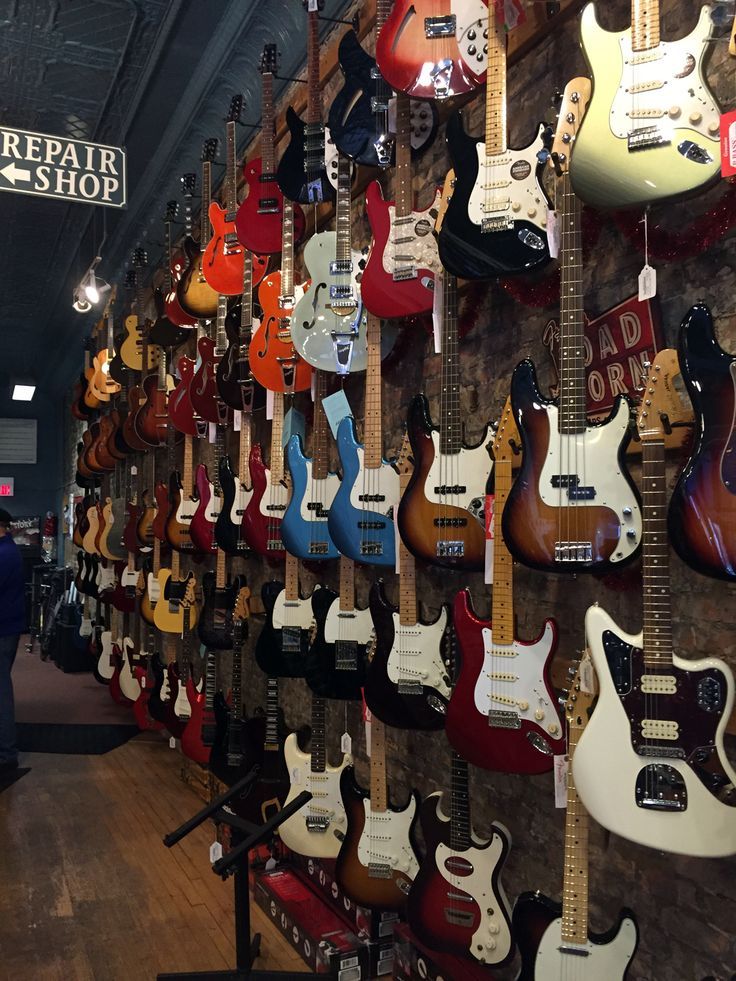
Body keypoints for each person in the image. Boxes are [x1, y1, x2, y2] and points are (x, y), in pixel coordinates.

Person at [0, 509, 26, 773]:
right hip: (7, 628)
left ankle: (6, 753)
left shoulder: (5, 554)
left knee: (1, 694)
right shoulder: (7, 551)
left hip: (3, 630)